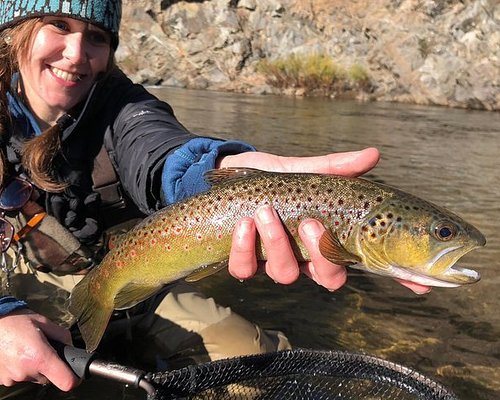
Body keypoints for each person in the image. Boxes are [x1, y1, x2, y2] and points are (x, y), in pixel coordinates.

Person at [0, 0, 429, 395]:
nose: (77, 52)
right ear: (16, 29)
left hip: (128, 271)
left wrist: (221, 177)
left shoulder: (124, 105)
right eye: (59, 25)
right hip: (14, 284)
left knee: (260, 369)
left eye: (96, 36)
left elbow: (161, 152)